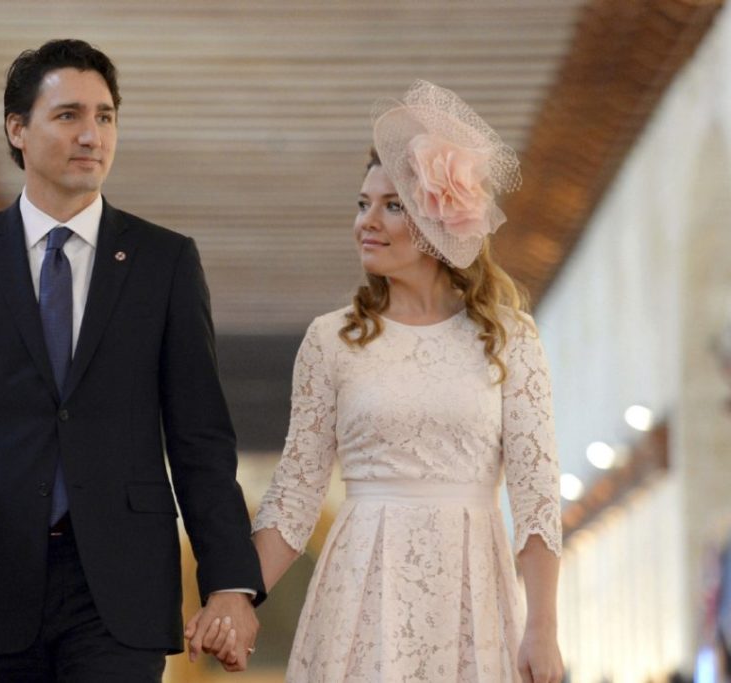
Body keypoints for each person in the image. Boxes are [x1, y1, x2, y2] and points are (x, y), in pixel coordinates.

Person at [0, 38, 264, 682]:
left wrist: (230, 581)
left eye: (104, 116)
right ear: (18, 129)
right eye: (68, 116)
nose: (92, 135)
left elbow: (199, 436)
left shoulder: (164, 262)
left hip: (120, 585)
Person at [202, 80, 564, 681]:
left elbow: (537, 499)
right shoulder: (331, 339)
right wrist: (235, 600)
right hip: (360, 587)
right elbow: (295, 496)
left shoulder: (510, 338)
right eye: (362, 203)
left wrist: (543, 628)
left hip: (472, 588)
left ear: (440, 220)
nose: (366, 222)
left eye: (392, 205)